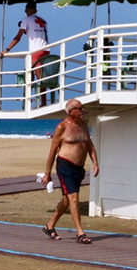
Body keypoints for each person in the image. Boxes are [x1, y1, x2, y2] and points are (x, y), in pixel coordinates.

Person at [40, 99, 99, 244]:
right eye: (80, 108)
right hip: (65, 166)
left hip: (79, 168)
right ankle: (80, 232)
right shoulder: (62, 127)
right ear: (71, 111)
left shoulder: (83, 125)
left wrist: (95, 162)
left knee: (67, 200)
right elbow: (52, 152)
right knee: (74, 198)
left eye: (83, 108)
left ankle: (50, 225)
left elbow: (90, 145)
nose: (83, 110)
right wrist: (47, 173)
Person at [1, 1, 50, 106]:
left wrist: (7, 49)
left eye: (26, 10)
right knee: (36, 74)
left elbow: (18, 37)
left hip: (36, 50)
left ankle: (38, 101)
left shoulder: (26, 20)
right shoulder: (43, 20)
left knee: (39, 77)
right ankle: (38, 99)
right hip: (46, 50)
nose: (25, 12)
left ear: (29, 9)